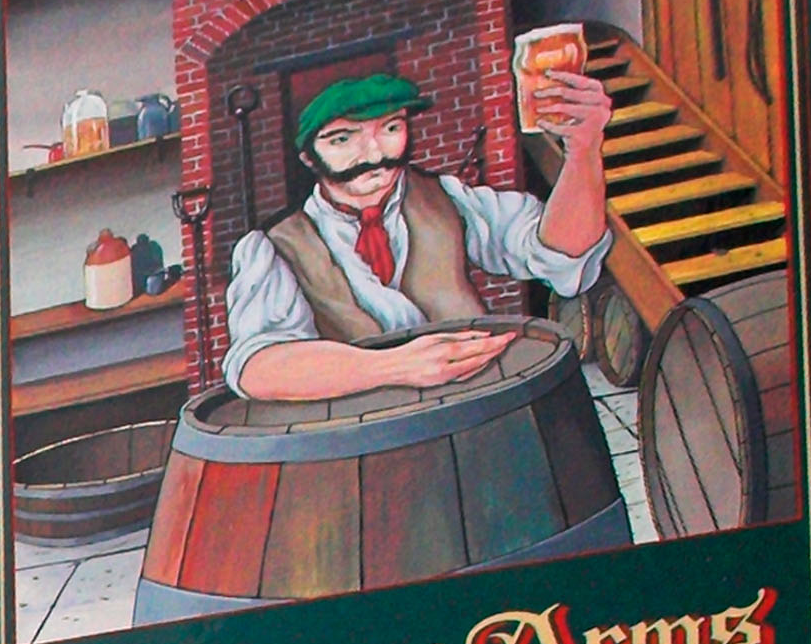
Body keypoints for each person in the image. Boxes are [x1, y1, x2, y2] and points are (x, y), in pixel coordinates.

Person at [220, 64, 608, 402]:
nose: (373, 153)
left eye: (391, 128)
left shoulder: (449, 198)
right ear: (308, 156)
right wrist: (394, 367)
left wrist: (584, 150)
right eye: (343, 139)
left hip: (483, 412)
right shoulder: (276, 246)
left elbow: (559, 252)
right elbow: (256, 367)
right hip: (373, 445)